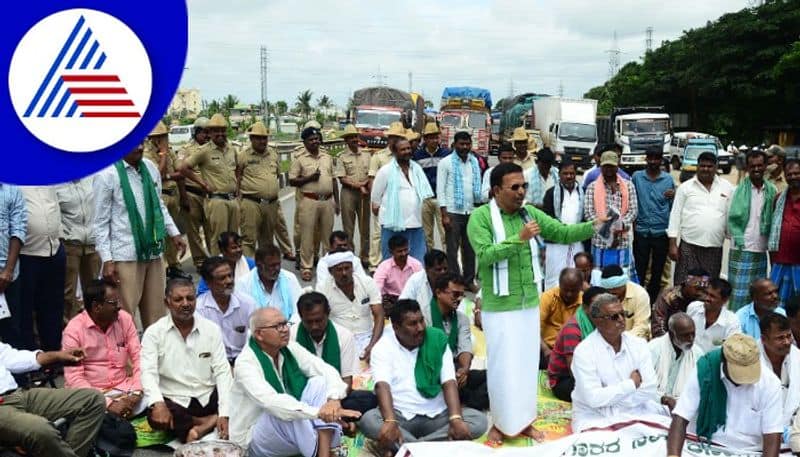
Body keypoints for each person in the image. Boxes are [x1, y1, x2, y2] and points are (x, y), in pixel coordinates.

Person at [466, 162, 599, 444]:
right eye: (514, 187)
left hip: (528, 303)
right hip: (500, 307)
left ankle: (524, 421)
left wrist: (594, 225)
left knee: (525, 366)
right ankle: (501, 424)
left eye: (523, 186)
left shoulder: (529, 212)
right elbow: (486, 254)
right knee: (503, 367)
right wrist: (520, 238)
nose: (521, 192)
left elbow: (561, 233)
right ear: (496, 190)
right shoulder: (480, 217)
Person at [358, 299, 488, 454]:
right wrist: (391, 421)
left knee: (478, 421)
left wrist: (455, 418)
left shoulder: (437, 339)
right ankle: (431, 449)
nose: (420, 328)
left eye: (421, 321)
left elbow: (449, 382)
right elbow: (382, 386)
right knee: (369, 420)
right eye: (412, 324)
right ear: (396, 327)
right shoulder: (383, 347)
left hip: (438, 417)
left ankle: (410, 449)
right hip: (400, 416)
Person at [228, 308, 361, 457]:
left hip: (290, 430)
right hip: (254, 438)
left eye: (285, 324)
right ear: (259, 334)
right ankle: (324, 448)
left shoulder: (289, 347)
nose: (285, 330)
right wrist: (319, 413)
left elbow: (324, 369)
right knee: (288, 411)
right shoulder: (245, 363)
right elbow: (272, 403)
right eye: (277, 326)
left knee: (319, 383)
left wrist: (334, 401)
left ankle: (324, 451)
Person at [94, 143, 186, 329]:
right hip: (124, 254)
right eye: (134, 143)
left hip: (153, 251)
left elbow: (158, 205)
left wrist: (174, 233)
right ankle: (127, 356)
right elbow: (100, 222)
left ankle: (155, 356)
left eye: (142, 142)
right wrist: (108, 260)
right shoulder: (107, 174)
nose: (140, 147)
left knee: (157, 314)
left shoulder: (150, 168)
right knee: (124, 316)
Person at [141, 278, 232, 443]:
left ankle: (203, 425)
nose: (185, 304)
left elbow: (222, 371)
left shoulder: (211, 329)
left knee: (240, 391)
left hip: (208, 396)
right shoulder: (154, 333)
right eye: (178, 299)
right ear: (167, 303)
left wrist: (225, 412)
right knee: (154, 416)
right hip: (176, 400)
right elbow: (148, 372)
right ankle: (208, 422)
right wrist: (158, 404)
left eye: (190, 298)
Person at [666, 333, 782, 455]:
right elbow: (681, 417)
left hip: (749, 451)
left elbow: (772, 435)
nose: (744, 380)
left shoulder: (770, 383)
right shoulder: (705, 371)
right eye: (739, 374)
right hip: (704, 446)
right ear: (724, 362)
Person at [571, 293, 666, 432]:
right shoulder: (584, 352)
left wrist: (614, 402)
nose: (622, 320)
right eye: (614, 316)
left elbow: (650, 387)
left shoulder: (638, 345)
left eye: (623, 314)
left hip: (635, 411)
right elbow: (594, 398)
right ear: (597, 321)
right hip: (595, 417)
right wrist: (631, 384)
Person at [0, 344, 105, 457]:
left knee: (92, 399)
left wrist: (58, 355)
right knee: (41, 429)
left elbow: (10, 357)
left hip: (15, 394)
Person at [62, 279, 144, 418]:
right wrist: (108, 403)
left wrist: (137, 392)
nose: (119, 306)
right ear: (96, 307)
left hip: (125, 388)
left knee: (157, 394)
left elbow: (139, 358)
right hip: (92, 394)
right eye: (113, 303)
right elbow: (74, 379)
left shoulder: (124, 319)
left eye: (118, 301)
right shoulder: (74, 330)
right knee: (89, 411)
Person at [291, 292, 378, 414]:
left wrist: (333, 403)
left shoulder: (343, 335)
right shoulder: (291, 337)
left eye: (319, 320)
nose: (314, 326)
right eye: (309, 322)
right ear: (301, 317)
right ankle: (338, 419)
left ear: (328, 314)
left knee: (369, 399)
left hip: (335, 396)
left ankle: (332, 417)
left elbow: (346, 381)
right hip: (302, 396)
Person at [178, 113, 239, 257]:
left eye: (223, 130)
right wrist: (203, 184)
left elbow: (238, 169)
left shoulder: (232, 149)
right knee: (219, 238)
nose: (220, 133)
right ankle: (217, 269)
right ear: (210, 132)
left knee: (234, 238)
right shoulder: (204, 151)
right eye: (216, 130)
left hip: (232, 200)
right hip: (217, 200)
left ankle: (232, 268)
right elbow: (183, 168)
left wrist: (238, 188)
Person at [668, 151, 734, 284]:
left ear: (716, 168)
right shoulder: (685, 188)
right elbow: (675, 215)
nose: (706, 169)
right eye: (702, 166)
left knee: (708, 286)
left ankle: (702, 306)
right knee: (685, 284)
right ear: (697, 167)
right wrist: (672, 244)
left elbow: (730, 214)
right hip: (689, 246)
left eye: (709, 166)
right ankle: (683, 306)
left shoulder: (727, 187)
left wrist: (731, 236)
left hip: (714, 246)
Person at [428, 273, 489, 410]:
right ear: (438, 292)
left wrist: (464, 370)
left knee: (494, 377)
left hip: (455, 370)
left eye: (462, 295)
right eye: (455, 294)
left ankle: (460, 397)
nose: (460, 299)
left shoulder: (462, 318)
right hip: (431, 371)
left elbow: (465, 347)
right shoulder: (424, 316)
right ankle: (462, 398)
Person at [728, 149, 777, 311]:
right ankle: (736, 332)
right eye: (752, 166)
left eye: (760, 165)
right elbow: (730, 220)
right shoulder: (736, 191)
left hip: (761, 249)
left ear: (765, 166)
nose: (756, 169)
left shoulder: (772, 191)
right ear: (747, 168)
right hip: (740, 248)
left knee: (758, 297)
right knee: (738, 296)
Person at [18, 186, 66, 351]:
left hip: (53, 250)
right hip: (26, 254)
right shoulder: (12, 182)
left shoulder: (46, 178)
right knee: (25, 311)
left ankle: (53, 355)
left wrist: (60, 237)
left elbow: (55, 206)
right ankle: (31, 358)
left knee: (53, 308)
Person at [289, 127, 339, 282]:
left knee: (327, 236)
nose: (315, 141)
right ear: (304, 142)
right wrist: (309, 178)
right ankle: (306, 267)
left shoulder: (327, 157)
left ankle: (327, 265)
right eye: (311, 139)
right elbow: (292, 180)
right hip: (309, 200)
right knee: (307, 236)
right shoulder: (300, 159)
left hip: (327, 201)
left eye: (317, 138)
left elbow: (333, 179)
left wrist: (336, 202)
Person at [371, 137, 432, 263]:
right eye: (403, 149)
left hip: (415, 222)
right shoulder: (385, 171)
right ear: (394, 152)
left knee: (417, 260)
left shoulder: (416, 169)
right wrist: (377, 207)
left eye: (408, 148)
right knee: (391, 261)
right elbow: (375, 195)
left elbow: (423, 191)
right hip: (392, 224)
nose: (407, 151)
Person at [316, 251, 384, 359]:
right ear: (330, 271)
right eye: (339, 269)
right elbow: (319, 318)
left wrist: (372, 345)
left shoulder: (367, 282)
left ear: (352, 268)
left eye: (347, 268)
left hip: (368, 335)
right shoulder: (323, 288)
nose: (344, 273)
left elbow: (379, 315)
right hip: (339, 339)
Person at [584, 151, 639, 281]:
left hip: (622, 241)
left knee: (622, 278)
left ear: (617, 166)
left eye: (612, 166)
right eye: (605, 166)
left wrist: (618, 227)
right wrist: (607, 230)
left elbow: (633, 211)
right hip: (600, 241)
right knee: (599, 279)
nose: (608, 169)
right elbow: (589, 213)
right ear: (600, 166)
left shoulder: (628, 186)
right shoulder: (592, 187)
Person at [144, 121, 189, 280]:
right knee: (161, 234)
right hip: (161, 194)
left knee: (173, 232)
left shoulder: (169, 151)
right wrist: (162, 155)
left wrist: (170, 174)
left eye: (164, 136)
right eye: (159, 137)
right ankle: (162, 267)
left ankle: (174, 264)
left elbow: (181, 170)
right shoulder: (147, 155)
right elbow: (157, 175)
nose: (162, 140)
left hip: (173, 194)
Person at [437, 131, 481, 290]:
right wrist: (444, 214)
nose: (465, 147)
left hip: (471, 211)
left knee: (470, 248)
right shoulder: (445, 163)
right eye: (461, 144)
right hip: (453, 212)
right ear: (454, 144)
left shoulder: (474, 162)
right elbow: (440, 190)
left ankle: (469, 280)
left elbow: (477, 187)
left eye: (467, 144)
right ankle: (455, 280)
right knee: (452, 249)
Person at [547, 286, 606, 402]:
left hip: (591, 372)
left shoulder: (603, 322)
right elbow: (573, 369)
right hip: (565, 380)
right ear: (585, 307)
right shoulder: (573, 329)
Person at [632, 148, 675, 303]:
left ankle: (650, 303)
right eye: (650, 158)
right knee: (639, 270)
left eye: (656, 158)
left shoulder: (668, 180)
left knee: (657, 272)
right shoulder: (637, 177)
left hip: (660, 232)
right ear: (646, 159)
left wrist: (673, 195)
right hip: (641, 231)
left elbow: (673, 206)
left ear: (661, 160)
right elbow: (632, 199)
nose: (653, 161)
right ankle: (638, 302)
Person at [56, 176, 101, 320]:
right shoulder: (56, 184)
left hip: (92, 244)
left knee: (94, 291)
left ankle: (93, 328)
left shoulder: (91, 178)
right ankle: (67, 329)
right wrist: (63, 235)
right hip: (70, 245)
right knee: (68, 293)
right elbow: (55, 214)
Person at [196, 257, 257, 361]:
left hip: (246, 360)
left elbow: (257, 337)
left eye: (230, 275)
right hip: (214, 363)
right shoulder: (199, 309)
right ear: (208, 283)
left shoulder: (248, 303)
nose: (229, 281)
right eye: (222, 278)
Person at [236, 121, 282, 258]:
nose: (263, 141)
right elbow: (237, 177)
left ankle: (265, 269)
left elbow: (277, 174)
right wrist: (239, 202)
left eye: (265, 138)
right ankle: (249, 272)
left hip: (271, 204)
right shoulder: (243, 156)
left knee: (268, 240)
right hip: (251, 203)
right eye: (258, 138)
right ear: (251, 139)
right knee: (248, 240)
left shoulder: (273, 154)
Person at [368, 122, 408, 272]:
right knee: (378, 233)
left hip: (400, 202)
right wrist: (375, 202)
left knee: (397, 233)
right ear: (389, 139)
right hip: (383, 202)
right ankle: (374, 264)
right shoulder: (378, 157)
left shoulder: (405, 156)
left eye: (398, 137)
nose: (395, 140)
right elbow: (372, 179)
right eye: (393, 137)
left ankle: (394, 262)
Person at [542, 159, 585, 290]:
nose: (569, 176)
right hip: (556, 242)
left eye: (572, 173)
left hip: (577, 241)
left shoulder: (582, 192)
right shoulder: (551, 193)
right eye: (565, 173)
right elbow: (547, 219)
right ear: (559, 174)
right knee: (553, 276)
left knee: (575, 275)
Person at [176, 117, 211, 270]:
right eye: (204, 132)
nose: (207, 135)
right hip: (192, 194)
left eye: (209, 132)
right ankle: (200, 261)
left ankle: (214, 257)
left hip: (210, 196)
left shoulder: (212, 148)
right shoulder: (186, 149)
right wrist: (183, 197)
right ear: (196, 132)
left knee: (212, 228)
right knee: (194, 231)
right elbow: (180, 171)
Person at [648, 312, 702, 411]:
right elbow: (642, 387)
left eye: (693, 334)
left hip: (681, 409)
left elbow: (697, 389)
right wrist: (663, 399)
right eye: (685, 335)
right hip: (651, 405)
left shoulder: (698, 354)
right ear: (672, 334)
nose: (691, 339)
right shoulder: (653, 349)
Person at [759, 313, 800, 443]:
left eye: (789, 336)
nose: (787, 342)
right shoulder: (750, 358)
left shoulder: (797, 357)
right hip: (755, 435)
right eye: (780, 338)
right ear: (764, 339)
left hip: (793, 433)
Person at [237, 245, 302, 322]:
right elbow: (242, 319)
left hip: (288, 329)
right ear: (259, 266)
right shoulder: (244, 283)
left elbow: (299, 311)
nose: (277, 268)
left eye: (278, 264)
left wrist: (287, 328)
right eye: (272, 266)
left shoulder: (290, 278)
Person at [336, 124, 371, 264]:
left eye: (355, 136)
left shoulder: (367, 155)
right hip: (348, 194)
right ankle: (350, 254)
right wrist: (360, 186)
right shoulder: (341, 157)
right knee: (348, 227)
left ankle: (365, 256)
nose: (354, 140)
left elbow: (371, 173)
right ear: (346, 140)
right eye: (350, 138)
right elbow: (342, 178)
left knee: (365, 227)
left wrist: (365, 185)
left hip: (365, 195)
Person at [413, 122, 450, 252]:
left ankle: (449, 263)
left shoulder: (446, 153)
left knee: (445, 233)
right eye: (430, 137)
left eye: (436, 137)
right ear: (425, 139)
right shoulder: (417, 156)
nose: (434, 140)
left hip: (442, 199)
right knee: (426, 234)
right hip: (425, 199)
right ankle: (429, 262)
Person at [769, 159, 800, 305]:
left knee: (797, 304)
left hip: (798, 261)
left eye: (797, 173)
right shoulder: (779, 199)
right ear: (785, 176)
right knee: (775, 302)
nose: (793, 177)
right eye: (790, 174)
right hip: (780, 260)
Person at [0, 183, 26, 350]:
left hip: (7, 277)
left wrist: (8, 271)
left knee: (12, 330)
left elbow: (18, 229)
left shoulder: (12, 190)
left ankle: (17, 376)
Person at [539, 268, 584, 366]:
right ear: (559, 284)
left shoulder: (585, 302)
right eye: (566, 290)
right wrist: (546, 350)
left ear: (581, 287)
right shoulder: (548, 297)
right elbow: (534, 329)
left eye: (573, 291)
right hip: (547, 350)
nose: (569, 294)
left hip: (574, 352)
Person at [651, 269, 709, 338]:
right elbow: (658, 326)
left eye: (704, 290)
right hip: (669, 339)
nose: (700, 293)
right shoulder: (669, 296)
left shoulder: (706, 299)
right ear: (687, 283)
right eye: (697, 289)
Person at [686, 278, 741, 353]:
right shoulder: (693, 308)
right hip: (688, 359)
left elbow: (731, 350)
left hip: (713, 363)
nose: (706, 298)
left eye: (712, 296)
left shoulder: (732, 321)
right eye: (706, 293)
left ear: (724, 300)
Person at [599, 265, 651, 340]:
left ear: (623, 283)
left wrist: (622, 341)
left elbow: (641, 326)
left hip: (635, 340)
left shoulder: (640, 294)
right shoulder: (601, 295)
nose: (612, 291)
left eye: (616, 287)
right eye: (608, 288)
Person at [373, 235, 423, 313]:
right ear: (391, 252)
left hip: (411, 300)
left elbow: (422, 287)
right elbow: (376, 288)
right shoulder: (384, 266)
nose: (404, 253)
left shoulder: (416, 265)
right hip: (391, 301)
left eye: (406, 250)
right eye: (399, 251)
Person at [400, 249, 449, 319]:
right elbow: (403, 305)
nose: (443, 272)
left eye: (445, 269)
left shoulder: (451, 281)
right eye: (438, 269)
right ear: (427, 269)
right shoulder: (415, 280)